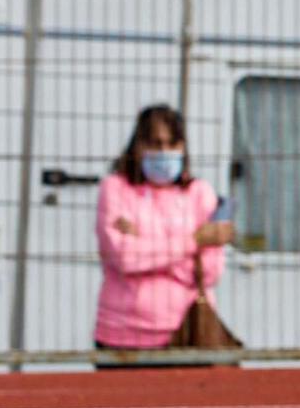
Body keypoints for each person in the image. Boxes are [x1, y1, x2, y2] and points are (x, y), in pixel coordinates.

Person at [94, 104, 231, 353]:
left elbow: (210, 272)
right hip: (122, 333)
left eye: (172, 144)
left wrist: (147, 249)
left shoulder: (200, 193)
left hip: (187, 331)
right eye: (155, 144)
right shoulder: (114, 188)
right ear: (138, 147)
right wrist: (193, 242)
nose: (164, 152)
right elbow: (124, 257)